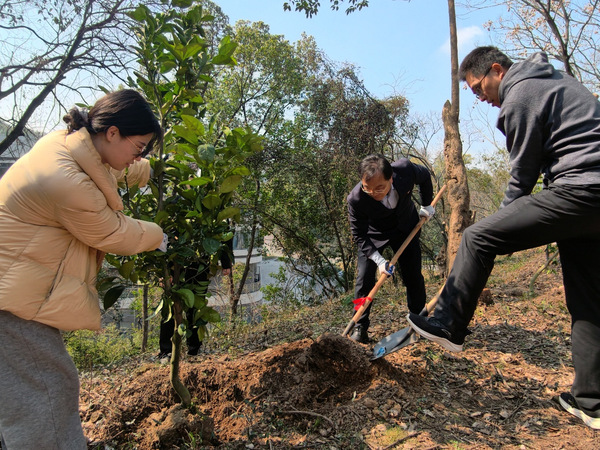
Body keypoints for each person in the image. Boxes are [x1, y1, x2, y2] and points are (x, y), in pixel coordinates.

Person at [407, 46, 600, 430]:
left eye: (479, 88)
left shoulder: (521, 94)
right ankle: (590, 402)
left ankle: (448, 324)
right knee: (588, 302)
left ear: (497, 70)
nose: (480, 98)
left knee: (477, 237)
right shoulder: (554, 81)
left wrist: (502, 225)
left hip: (580, 189)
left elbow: (523, 176)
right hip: (590, 203)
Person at [0, 89, 167, 448]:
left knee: (24, 394)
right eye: (139, 147)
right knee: (46, 392)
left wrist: (152, 170)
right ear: (112, 133)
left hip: (14, 290)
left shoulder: (72, 145)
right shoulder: (65, 178)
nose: (139, 156)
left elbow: (108, 170)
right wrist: (159, 236)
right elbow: (112, 232)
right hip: (9, 302)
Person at [347, 154, 435, 343]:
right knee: (363, 281)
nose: (373, 193)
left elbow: (425, 176)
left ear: (391, 178)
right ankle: (360, 325)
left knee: (413, 275)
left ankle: (419, 321)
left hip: (406, 228)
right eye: (367, 188)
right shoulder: (356, 199)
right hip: (373, 236)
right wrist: (379, 260)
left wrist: (427, 204)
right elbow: (359, 235)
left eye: (379, 188)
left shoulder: (405, 170)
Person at [158, 243, 233, 358]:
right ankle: (166, 351)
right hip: (175, 261)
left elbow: (223, 238)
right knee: (170, 308)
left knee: (196, 308)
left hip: (200, 262)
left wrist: (226, 261)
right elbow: (162, 238)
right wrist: (164, 271)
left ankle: (194, 349)